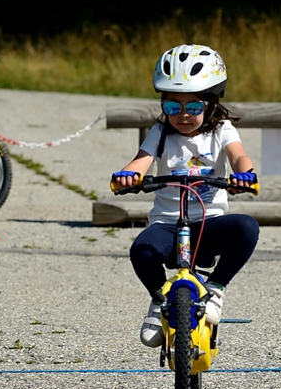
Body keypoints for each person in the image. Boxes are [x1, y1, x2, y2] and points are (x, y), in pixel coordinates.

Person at [110, 44, 261, 347]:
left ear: (211, 103)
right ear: (163, 105)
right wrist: (129, 174)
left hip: (208, 224)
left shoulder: (221, 130)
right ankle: (159, 300)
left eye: (193, 107)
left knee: (246, 227)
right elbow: (141, 160)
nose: (183, 115)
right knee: (141, 250)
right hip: (167, 224)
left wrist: (245, 175)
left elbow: (239, 156)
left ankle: (215, 288)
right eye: (172, 106)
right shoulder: (161, 132)